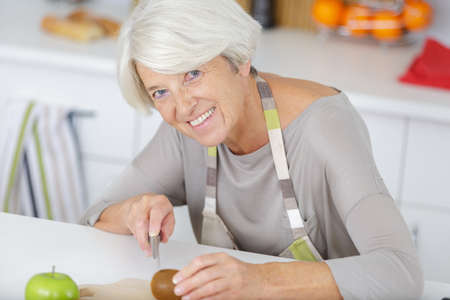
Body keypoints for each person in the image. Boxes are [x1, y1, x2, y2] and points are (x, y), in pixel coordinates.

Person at [80, 0, 423, 299]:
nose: (182, 108)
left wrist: (258, 280)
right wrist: (132, 213)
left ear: (240, 59)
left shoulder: (324, 125)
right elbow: (95, 216)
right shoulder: (186, 129)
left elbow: (401, 273)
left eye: (193, 73)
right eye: (160, 92)